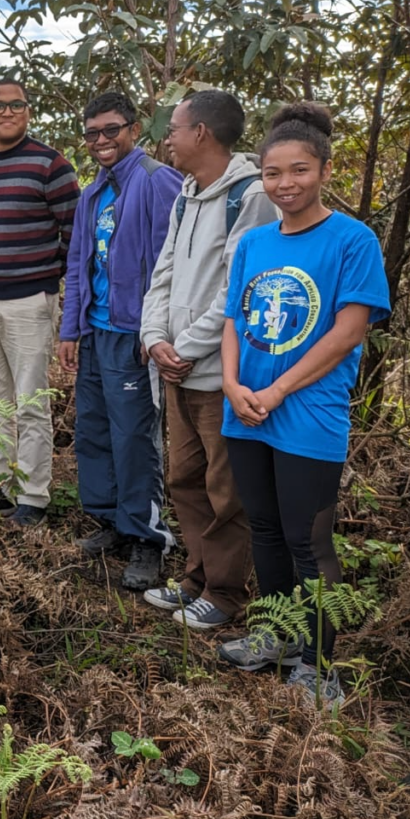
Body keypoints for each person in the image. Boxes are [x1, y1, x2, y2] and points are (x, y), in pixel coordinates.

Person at [216, 102, 390, 706]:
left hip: (308, 414)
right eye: (273, 173)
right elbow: (234, 322)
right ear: (260, 176)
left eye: (299, 171)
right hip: (245, 410)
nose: (285, 184)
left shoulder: (352, 239)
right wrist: (233, 387)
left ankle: (319, 665)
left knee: (308, 540)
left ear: (324, 170)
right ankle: (274, 635)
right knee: (263, 529)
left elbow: (349, 330)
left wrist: (277, 389)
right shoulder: (254, 243)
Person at [139, 90, 277, 627]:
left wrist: (186, 347)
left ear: (201, 133)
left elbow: (237, 290)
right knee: (184, 479)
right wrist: (155, 338)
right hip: (177, 368)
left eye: (173, 128)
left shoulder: (251, 196)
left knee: (226, 490)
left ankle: (224, 594)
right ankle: (195, 578)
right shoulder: (185, 194)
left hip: (219, 373)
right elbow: (164, 272)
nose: (167, 138)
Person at [58, 91, 182, 588]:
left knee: (134, 437)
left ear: (134, 129)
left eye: (112, 130)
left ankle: (147, 537)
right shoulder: (93, 193)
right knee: (94, 430)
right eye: (93, 134)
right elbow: (77, 264)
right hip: (95, 331)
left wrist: (154, 331)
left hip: (134, 334)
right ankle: (109, 520)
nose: (102, 141)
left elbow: (172, 267)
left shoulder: (156, 181)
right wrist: (71, 328)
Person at [0, 80, 79, 528]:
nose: (6, 112)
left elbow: (74, 233)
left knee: (30, 401)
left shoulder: (51, 165)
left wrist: (48, 276)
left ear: (28, 111)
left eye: (16, 105)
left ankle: (32, 496)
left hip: (29, 300)